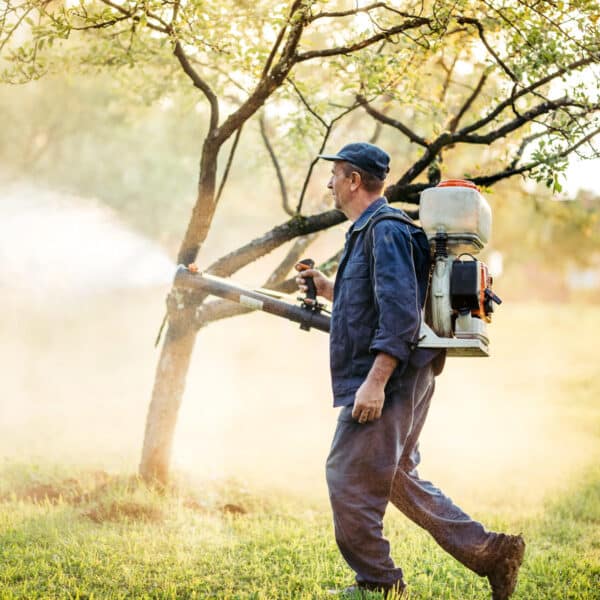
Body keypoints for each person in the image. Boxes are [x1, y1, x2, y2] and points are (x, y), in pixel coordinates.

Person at [295, 142, 525, 599]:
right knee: (396, 476)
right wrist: (328, 289)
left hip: (392, 377)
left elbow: (400, 316)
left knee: (345, 474)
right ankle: (490, 552)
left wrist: (375, 382)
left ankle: (378, 583)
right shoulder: (370, 231)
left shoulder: (385, 230)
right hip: (405, 372)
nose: (330, 183)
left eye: (336, 175)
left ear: (354, 180)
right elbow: (374, 303)